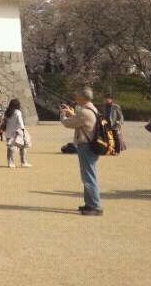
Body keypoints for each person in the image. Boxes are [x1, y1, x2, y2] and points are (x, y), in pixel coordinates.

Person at [60, 87, 103, 216]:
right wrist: (71, 113)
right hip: (91, 145)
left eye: (78, 96)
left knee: (88, 176)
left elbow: (67, 123)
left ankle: (94, 206)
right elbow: (80, 120)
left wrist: (62, 114)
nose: (76, 98)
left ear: (83, 98)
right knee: (88, 175)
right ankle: (89, 203)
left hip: (86, 146)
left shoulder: (84, 112)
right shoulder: (92, 109)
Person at [3, 99, 31, 168]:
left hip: (8, 132)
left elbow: (4, 120)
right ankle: (23, 162)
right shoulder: (17, 112)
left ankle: (10, 162)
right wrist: (23, 130)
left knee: (10, 148)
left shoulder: (7, 112)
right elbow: (20, 122)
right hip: (17, 132)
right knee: (23, 146)